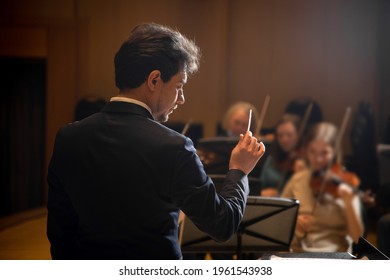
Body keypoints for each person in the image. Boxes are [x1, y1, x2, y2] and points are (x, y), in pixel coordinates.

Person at [46, 23, 265, 260]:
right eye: (179, 86)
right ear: (154, 80)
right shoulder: (174, 147)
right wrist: (239, 171)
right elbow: (222, 225)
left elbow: (60, 232)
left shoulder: (68, 138)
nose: (181, 99)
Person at [281, 122, 364, 253]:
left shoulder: (345, 183)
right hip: (297, 251)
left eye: (324, 153)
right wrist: (294, 220)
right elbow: (280, 217)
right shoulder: (298, 179)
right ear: (306, 151)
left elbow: (357, 238)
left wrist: (349, 204)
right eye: (312, 152)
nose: (318, 159)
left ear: (334, 152)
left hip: (333, 254)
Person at [260, 114, 304, 197]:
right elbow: (262, 184)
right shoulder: (272, 159)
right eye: (280, 135)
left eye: (289, 135)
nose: (285, 139)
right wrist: (262, 193)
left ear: (299, 135)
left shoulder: (304, 161)